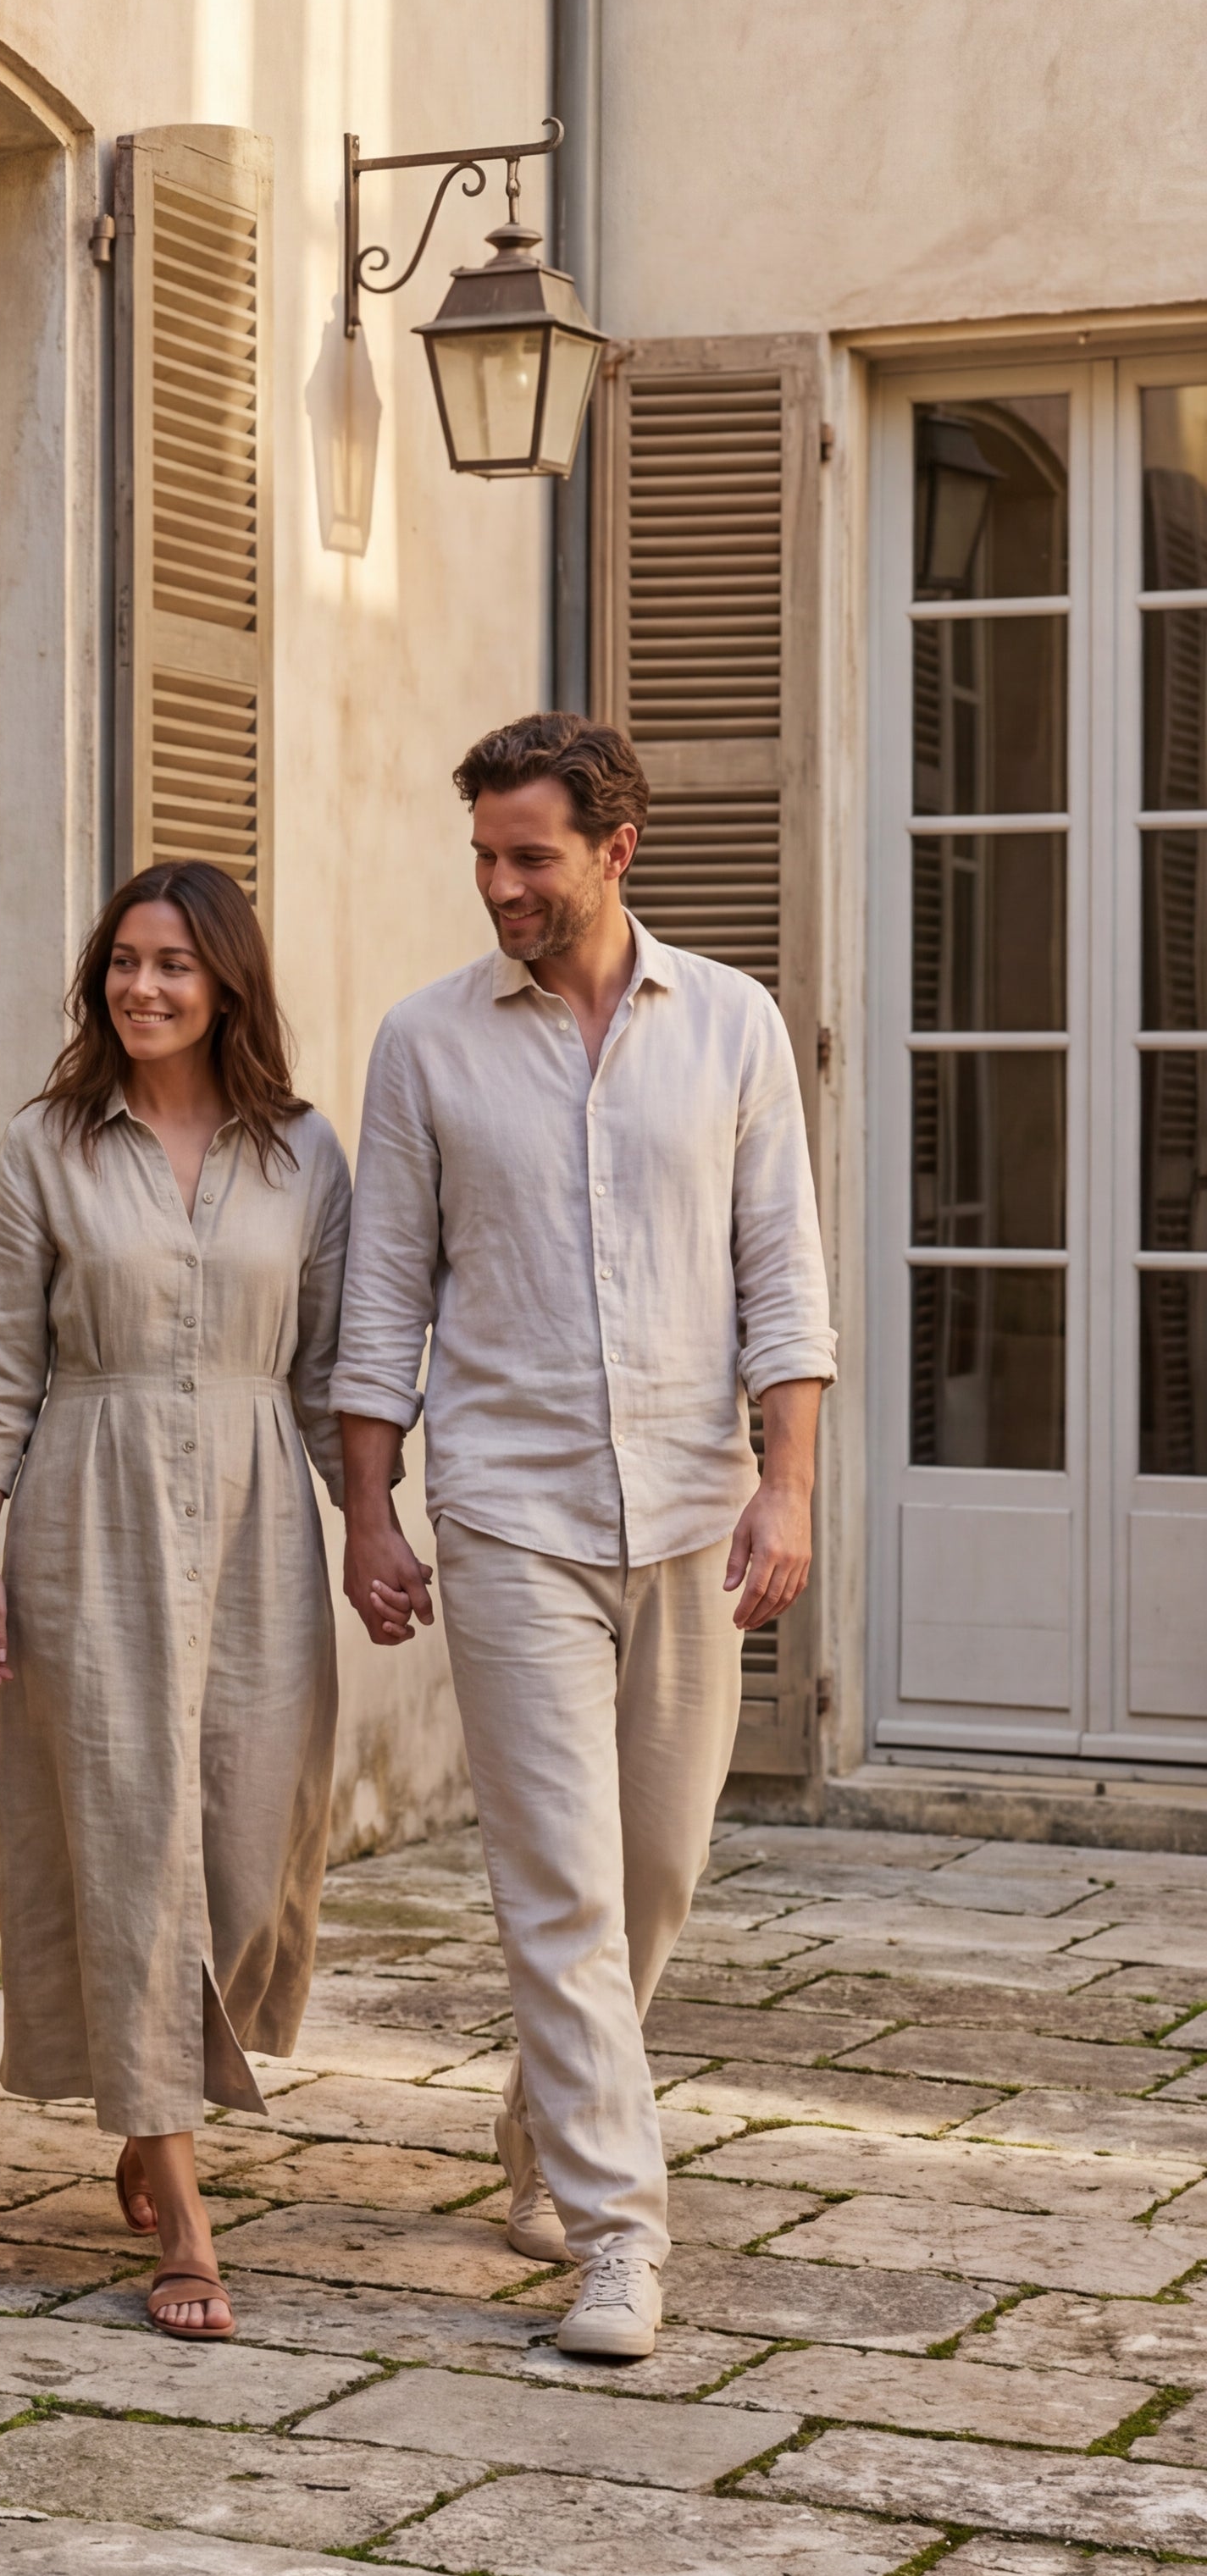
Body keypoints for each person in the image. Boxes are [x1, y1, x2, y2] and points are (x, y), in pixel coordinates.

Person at [333, 713, 832, 2365]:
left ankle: (544, 2109)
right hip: (506, 1513)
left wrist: (787, 1484)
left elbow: (783, 1275)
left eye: (526, 856)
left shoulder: (733, 1026)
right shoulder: (424, 1041)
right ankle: (619, 2234)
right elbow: (381, 1291)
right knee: (555, 1874)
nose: (496, 885)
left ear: (615, 850)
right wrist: (367, 1507)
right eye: (480, 855)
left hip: (694, 1513)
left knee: (654, 1870)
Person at [0, 861, 355, 2342]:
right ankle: (182, 2209)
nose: (143, 988)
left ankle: (150, 2099)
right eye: (123, 961)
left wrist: (372, 1532)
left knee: (248, 1848)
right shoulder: (45, 1146)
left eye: (175, 964)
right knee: (126, 1841)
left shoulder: (307, 1156)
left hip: (261, 1526)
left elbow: (330, 1379)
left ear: (226, 982)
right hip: (87, 1507)